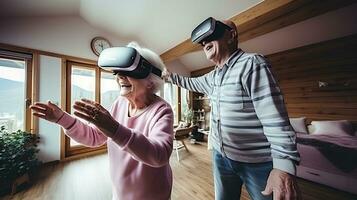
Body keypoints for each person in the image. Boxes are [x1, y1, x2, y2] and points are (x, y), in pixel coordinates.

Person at [163, 17, 300, 200]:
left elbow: (274, 119)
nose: (204, 43)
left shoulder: (252, 64)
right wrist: (170, 77)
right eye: (202, 41)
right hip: (221, 157)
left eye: (211, 36)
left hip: (257, 163)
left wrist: (283, 167)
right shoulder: (213, 76)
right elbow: (190, 82)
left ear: (231, 36)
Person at [30, 42, 174, 200]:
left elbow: (160, 155)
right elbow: (94, 136)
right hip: (120, 192)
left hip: (152, 195)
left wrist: (113, 129)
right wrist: (62, 119)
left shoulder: (161, 110)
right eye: (118, 72)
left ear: (150, 81)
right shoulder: (120, 103)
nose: (119, 77)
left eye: (127, 72)